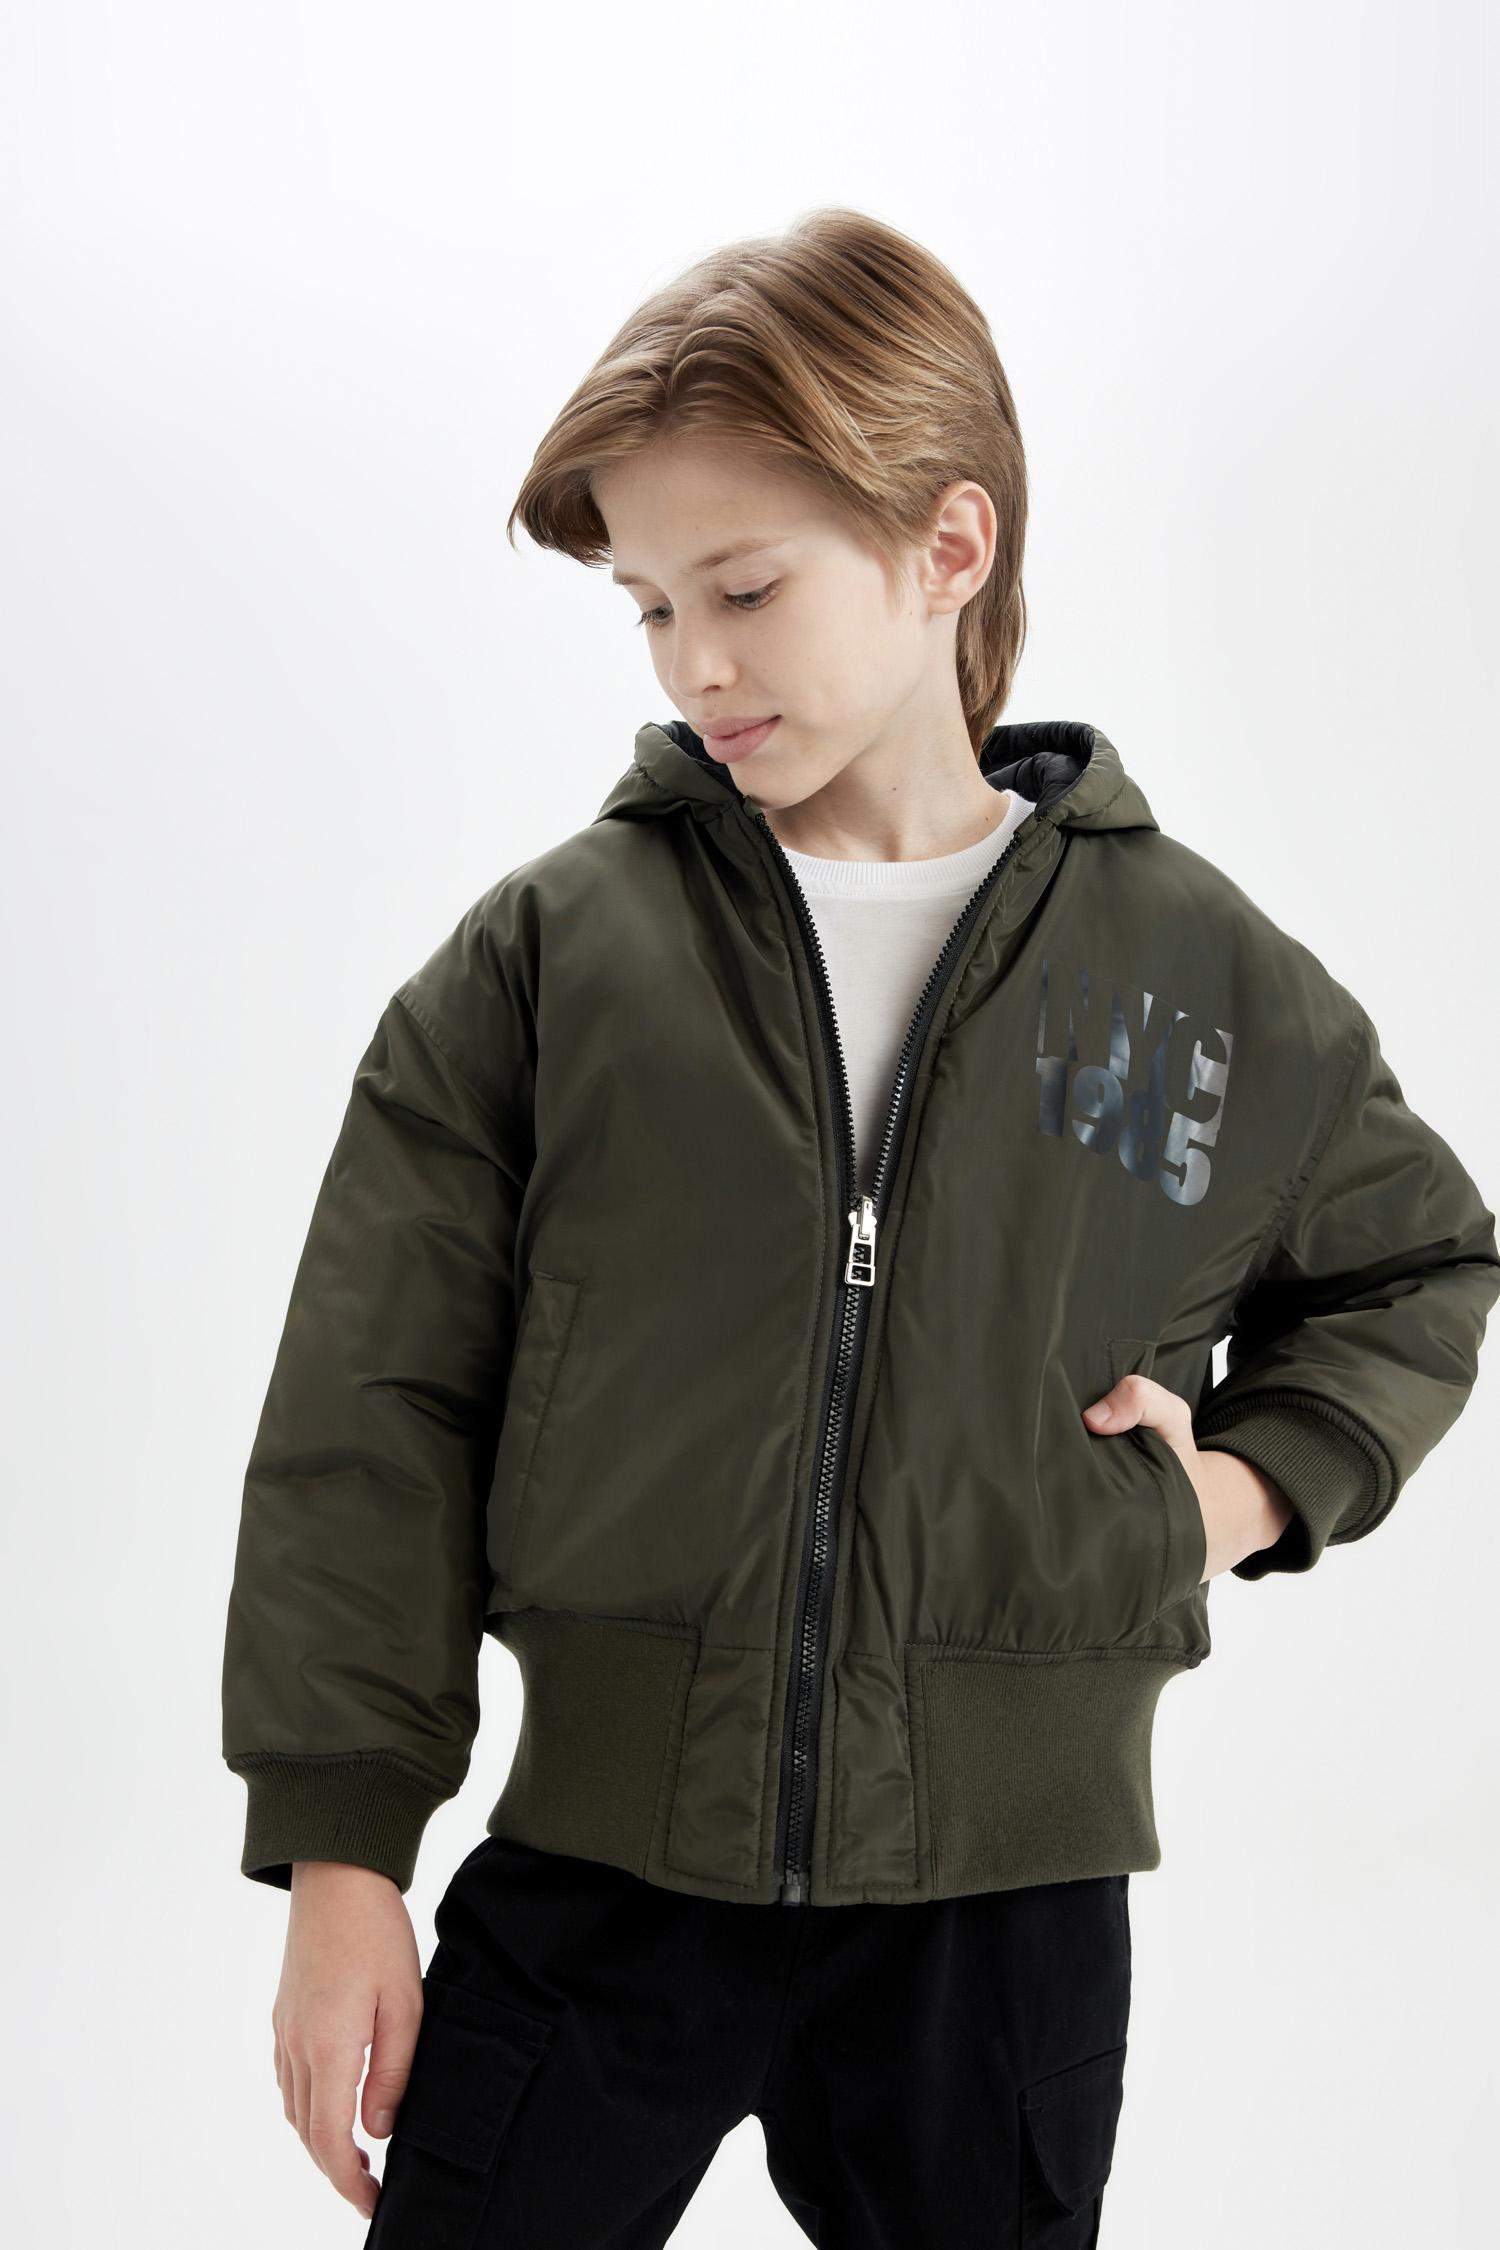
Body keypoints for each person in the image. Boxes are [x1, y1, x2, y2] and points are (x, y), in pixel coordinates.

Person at [220, 207, 1500, 2248]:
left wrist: (1236, 1494)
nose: (694, 663)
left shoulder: (1181, 972)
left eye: (743, 588)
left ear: (948, 546)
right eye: (650, 608)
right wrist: (343, 1852)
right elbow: (376, 1407)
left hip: (1002, 1924)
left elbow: (1420, 1260)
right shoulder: (560, 957)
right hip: (604, 1877)